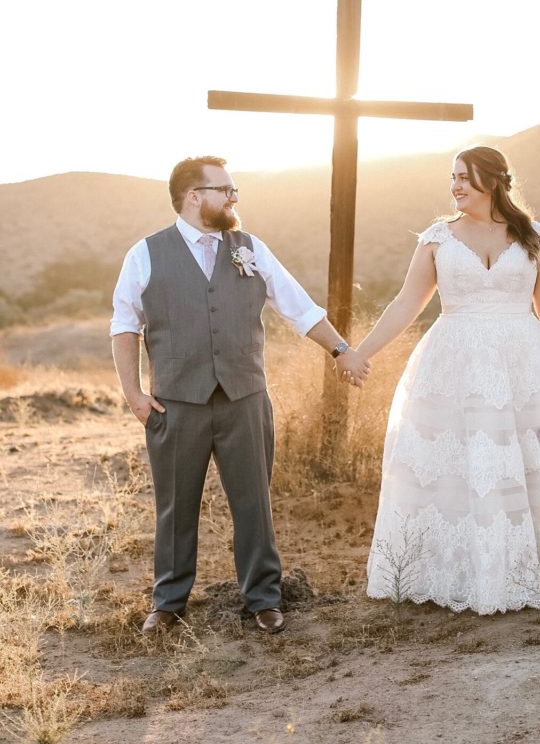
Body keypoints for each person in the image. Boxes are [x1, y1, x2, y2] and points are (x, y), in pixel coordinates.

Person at [111, 155, 369, 635]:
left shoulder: (250, 248)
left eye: (233, 191)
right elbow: (125, 326)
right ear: (194, 197)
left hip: (245, 397)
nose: (233, 198)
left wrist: (341, 350)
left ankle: (263, 599)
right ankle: (167, 603)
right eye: (224, 189)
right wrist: (133, 395)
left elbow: (299, 307)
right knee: (174, 505)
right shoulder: (145, 254)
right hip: (176, 403)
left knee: (253, 502)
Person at [351, 145, 540, 615]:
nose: (456, 186)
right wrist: (360, 353)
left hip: (524, 361)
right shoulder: (436, 239)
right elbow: (406, 304)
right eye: (453, 177)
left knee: (529, 460)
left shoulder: (535, 238)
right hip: (455, 363)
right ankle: (458, 571)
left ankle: (533, 571)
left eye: (466, 178)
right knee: (459, 463)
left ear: (494, 181)